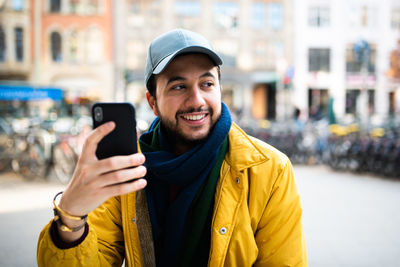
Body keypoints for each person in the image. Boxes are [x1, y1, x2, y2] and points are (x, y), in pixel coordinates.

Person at [37, 29, 307, 267]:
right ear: (152, 102)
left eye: (207, 83)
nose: (197, 100)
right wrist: (71, 218)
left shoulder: (269, 169)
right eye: (179, 86)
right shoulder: (126, 172)